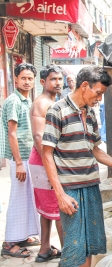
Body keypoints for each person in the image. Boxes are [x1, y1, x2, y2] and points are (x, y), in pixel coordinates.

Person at [41, 66, 112, 267]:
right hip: (70, 189)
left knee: (90, 246)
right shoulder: (57, 111)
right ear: (84, 86)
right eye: (98, 93)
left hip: (91, 186)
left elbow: (96, 150)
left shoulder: (90, 114)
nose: (99, 99)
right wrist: (60, 195)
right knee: (74, 248)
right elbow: (47, 154)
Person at [1, 63, 41, 258]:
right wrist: (18, 162)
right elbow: (12, 133)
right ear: (15, 79)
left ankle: (21, 236)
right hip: (20, 158)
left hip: (27, 156)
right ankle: (8, 244)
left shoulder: (26, 100)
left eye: (30, 78)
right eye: (23, 78)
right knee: (18, 198)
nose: (27, 81)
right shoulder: (14, 101)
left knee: (27, 198)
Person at [29, 65, 64, 262]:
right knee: (59, 207)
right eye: (53, 79)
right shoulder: (43, 103)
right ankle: (68, 254)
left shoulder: (51, 101)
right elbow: (38, 137)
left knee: (48, 207)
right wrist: (51, 165)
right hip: (43, 160)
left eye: (59, 79)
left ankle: (44, 250)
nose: (57, 83)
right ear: (43, 82)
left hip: (43, 160)